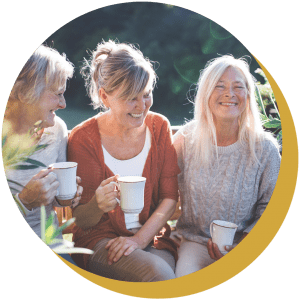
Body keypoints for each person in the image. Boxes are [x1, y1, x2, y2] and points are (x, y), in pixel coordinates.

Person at [68, 40, 180, 281]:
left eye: (147, 95)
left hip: (151, 239)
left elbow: (170, 198)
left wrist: (139, 240)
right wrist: (98, 204)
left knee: (169, 274)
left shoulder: (159, 127)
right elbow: (81, 221)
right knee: (159, 275)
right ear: (104, 96)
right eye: (131, 98)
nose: (142, 107)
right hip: (100, 242)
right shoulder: (83, 139)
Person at [173, 55, 281, 277]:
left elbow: (272, 210)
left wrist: (243, 246)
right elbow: (163, 194)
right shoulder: (186, 139)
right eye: (219, 86)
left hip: (247, 245)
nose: (229, 93)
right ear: (205, 94)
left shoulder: (265, 149)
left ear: (248, 95)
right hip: (194, 244)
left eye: (238, 87)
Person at [4, 44, 83, 264]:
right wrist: (23, 202)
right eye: (57, 94)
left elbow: (57, 203)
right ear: (24, 92)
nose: (63, 104)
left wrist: (64, 195)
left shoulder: (56, 130)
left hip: (52, 245)